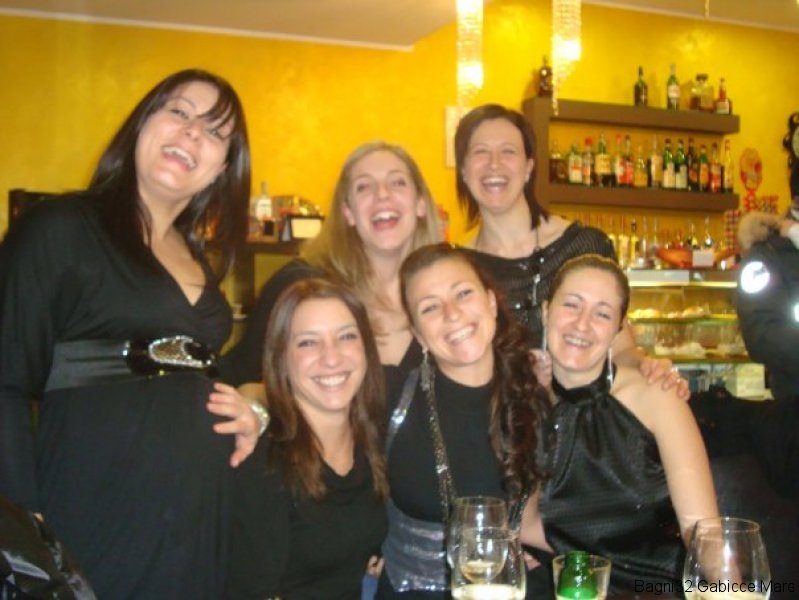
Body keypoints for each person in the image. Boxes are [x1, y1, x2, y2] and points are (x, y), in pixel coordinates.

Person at [0, 69, 264, 597]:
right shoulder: (60, 227)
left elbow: (212, 376)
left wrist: (253, 409)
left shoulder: (200, 261)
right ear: (141, 125)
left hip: (198, 529)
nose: (193, 132)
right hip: (94, 521)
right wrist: (25, 534)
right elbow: (4, 383)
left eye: (215, 132)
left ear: (221, 169)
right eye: (179, 111)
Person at [453, 103, 686, 395]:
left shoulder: (584, 246)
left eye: (508, 151)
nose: (494, 164)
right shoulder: (458, 267)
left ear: (528, 168)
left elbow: (620, 348)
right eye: (480, 152)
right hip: (495, 421)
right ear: (463, 170)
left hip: (579, 418)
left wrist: (648, 367)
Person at [522, 254, 718, 592]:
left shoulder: (657, 397)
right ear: (545, 311)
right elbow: (524, 526)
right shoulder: (526, 405)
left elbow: (704, 533)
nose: (582, 324)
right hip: (575, 589)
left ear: (618, 328)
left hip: (655, 591)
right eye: (571, 305)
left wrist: (730, 590)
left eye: (602, 313)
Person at [376, 243, 551, 598]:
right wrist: (260, 411)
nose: (452, 314)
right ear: (418, 333)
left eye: (463, 293)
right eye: (430, 307)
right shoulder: (390, 396)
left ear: (491, 303)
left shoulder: (537, 396)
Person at [219, 140, 442, 388]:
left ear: (420, 203)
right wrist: (258, 400)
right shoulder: (300, 285)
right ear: (348, 212)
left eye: (397, 182)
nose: (382, 194)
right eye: (363, 187)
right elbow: (236, 379)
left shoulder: (446, 295)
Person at [225, 278, 388, 598]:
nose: (332, 357)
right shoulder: (263, 463)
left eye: (346, 336)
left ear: (367, 348)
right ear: (281, 358)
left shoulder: (372, 440)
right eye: (308, 342)